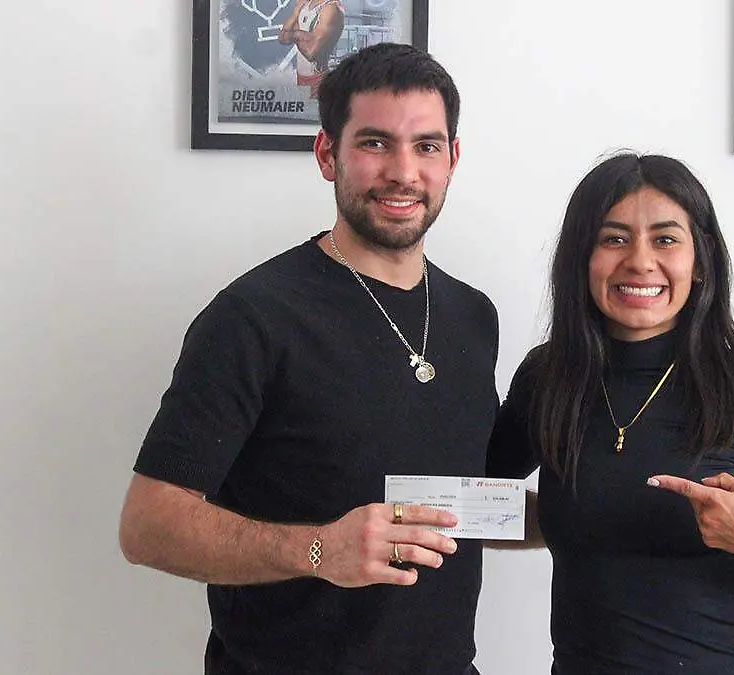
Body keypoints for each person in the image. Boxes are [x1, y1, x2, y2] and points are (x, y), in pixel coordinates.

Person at [119, 43, 502, 674]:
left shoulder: (473, 315)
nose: (404, 171)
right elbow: (147, 525)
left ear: (452, 159)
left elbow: (472, 501)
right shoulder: (253, 317)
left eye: (427, 146)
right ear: (328, 154)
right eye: (375, 143)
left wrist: (609, 511)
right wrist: (320, 549)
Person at [488, 153, 734, 674]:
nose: (640, 261)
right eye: (614, 239)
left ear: (699, 262)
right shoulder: (548, 378)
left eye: (666, 239)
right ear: (581, 259)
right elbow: (470, 493)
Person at [279, 0, 345, 97]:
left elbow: (311, 54)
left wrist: (295, 34)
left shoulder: (331, 9)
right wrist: (295, 16)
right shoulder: (305, 4)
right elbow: (283, 38)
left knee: (314, 107)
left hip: (318, 79)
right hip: (301, 77)